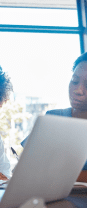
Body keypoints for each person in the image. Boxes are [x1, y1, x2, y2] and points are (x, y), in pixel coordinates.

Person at [21, 52, 87, 182]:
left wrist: (55, 174)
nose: (78, 90)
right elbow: (28, 166)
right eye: (74, 81)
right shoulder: (53, 118)